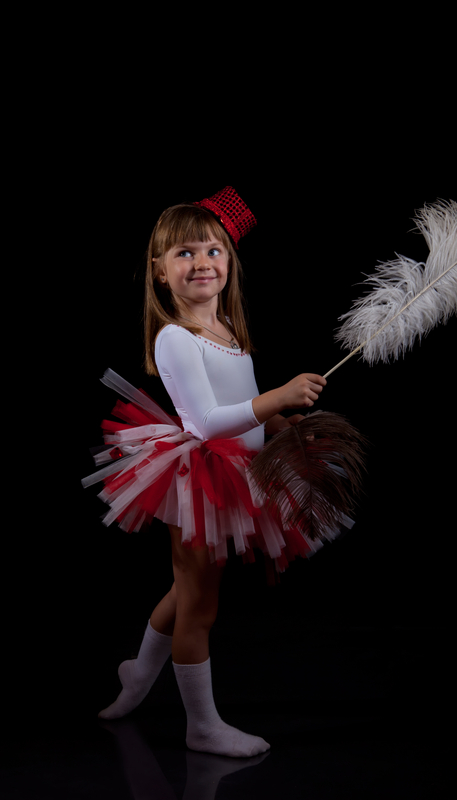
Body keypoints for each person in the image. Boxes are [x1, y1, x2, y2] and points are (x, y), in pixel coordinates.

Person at [84, 187, 330, 758]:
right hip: (199, 475)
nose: (202, 263)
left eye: (214, 251)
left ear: (230, 263)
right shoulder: (175, 337)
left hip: (239, 470)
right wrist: (277, 397)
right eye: (185, 253)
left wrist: (279, 425)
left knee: (188, 589)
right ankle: (201, 727)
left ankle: (138, 673)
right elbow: (206, 422)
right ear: (160, 271)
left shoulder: (228, 331)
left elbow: (240, 406)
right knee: (200, 604)